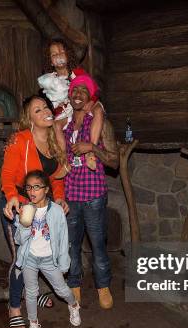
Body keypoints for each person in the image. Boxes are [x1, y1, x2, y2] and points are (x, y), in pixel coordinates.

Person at [0, 95, 70, 328]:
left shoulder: (53, 142)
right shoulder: (19, 140)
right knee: (22, 258)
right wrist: (11, 196)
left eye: (46, 107)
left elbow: (55, 177)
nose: (45, 111)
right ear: (29, 118)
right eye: (37, 110)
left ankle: (34, 293)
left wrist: (59, 197)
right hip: (20, 205)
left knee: (42, 252)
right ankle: (14, 308)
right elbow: (8, 175)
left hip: (43, 206)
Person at [63, 74, 113, 309]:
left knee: (97, 244)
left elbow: (115, 160)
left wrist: (91, 147)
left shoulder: (99, 121)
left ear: (90, 95)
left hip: (93, 195)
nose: (78, 94)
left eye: (83, 90)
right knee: (72, 245)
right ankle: (74, 286)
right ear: (69, 96)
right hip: (71, 195)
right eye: (74, 90)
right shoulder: (64, 125)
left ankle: (103, 286)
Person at [13, 170, 81, 328]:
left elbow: (64, 239)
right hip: (30, 258)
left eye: (36, 187)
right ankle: (33, 324)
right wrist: (24, 224)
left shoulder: (57, 211)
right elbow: (18, 240)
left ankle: (74, 305)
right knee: (30, 292)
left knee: (62, 290)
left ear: (46, 189)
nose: (32, 191)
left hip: (49, 259)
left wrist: (64, 263)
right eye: (28, 187)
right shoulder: (25, 209)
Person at [37, 39, 105, 176]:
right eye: (54, 54)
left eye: (62, 52)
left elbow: (96, 90)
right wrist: (60, 108)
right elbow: (54, 106)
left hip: (84, 104)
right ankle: (64, 162)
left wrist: (92, 101)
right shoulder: (50, 81)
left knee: (98, 110)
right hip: (66, 111)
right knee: (56, 125)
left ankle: (91, 153)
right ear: (50, 61)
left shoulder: (77, 73)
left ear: (68, 55)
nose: (59, 56)